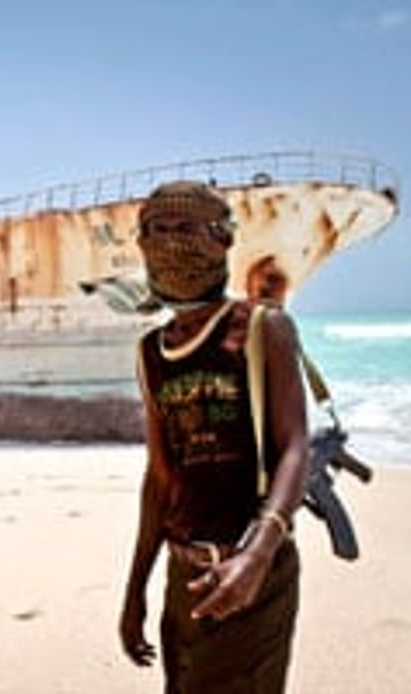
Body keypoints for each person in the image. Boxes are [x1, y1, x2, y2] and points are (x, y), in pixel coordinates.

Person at [118, 181, 309, 693]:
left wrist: (258, 554)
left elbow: (296, 447)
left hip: (253, 574)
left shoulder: (263, 327)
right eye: (156, 231)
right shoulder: (151, 352)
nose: (170, 242)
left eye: (186, 229)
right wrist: (135, 589)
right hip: (184, 577)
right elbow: (160, 479)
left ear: (222, 239)